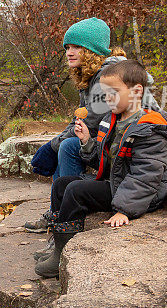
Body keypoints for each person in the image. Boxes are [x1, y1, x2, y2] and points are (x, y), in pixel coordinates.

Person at [33, 59, 167, 278]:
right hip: (118, 182)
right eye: (105, 93)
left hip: (141, 194)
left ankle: (63, 254)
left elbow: (146, 176)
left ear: (136, 91)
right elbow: (106, 161)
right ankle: (57, 244)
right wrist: (87, 142)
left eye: (113, 92)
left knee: (76, 191)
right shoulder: (112, 119)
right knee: (62, 184)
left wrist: (124, 209)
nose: (107, 98)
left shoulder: (149, 128)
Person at [26, 17, 159, 235]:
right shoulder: (90, 75)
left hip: (137, 149)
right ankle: (58, 211)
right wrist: (53, 144)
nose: (69, 52)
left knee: (68, 146)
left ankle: (65, 213)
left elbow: (91, 121)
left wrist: (52, 146)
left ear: (92, 50)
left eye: (77, 47)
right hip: (115, 140)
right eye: (67, 47)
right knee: (66, 143)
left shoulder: (105, 78)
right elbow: (80, 120)